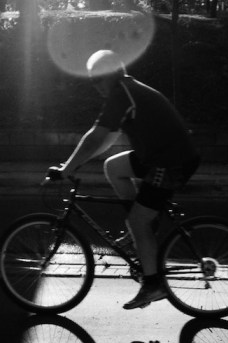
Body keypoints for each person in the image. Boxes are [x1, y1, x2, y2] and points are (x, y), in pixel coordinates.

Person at [47, 50, 200, 310]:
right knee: (113, 166)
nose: (95, 87)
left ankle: (153, 285)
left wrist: (67, 168)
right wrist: (75, 164)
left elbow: (96, 136)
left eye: (97, 80)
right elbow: (106, 139)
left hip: (171, 161)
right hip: (157, 155)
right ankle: (140, 232)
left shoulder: (122, 93)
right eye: (92, 81)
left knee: (138, 220)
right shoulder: (126, 90)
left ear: (111, 75)